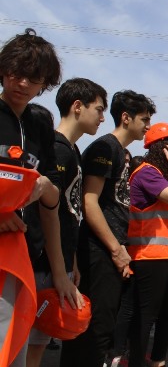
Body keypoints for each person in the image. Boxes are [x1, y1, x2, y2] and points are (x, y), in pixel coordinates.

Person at [61, 90, 156, 367]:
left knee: (104, 322)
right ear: (126, 118)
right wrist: (115, 250)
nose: (147, 126)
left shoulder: (122, 152)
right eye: (144, 119)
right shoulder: (105, 148)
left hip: (112, 249)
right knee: (94, 326)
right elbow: (89, 203)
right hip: (98, 249)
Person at [0, 29, 72, 367]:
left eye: (34, 78)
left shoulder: (40, 123)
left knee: (15, 351)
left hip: (25, 260)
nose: (22, 83)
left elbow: (51, 203)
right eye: (16, 72)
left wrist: (59, 274)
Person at [27, 78, 107, 367]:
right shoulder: (57, 149)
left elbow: (69, 213)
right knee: (26, 344)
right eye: (98, 109)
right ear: (77, 106)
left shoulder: (71, 151)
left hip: (58, 262)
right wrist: (59, 271)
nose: (101, 117)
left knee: (37, 343)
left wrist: (70, 261)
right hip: (42, 263)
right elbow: (47, 213)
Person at [126, 122, 168, 367]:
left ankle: (158, 359)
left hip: (166, 254)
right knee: (145, 315)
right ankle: (138, 361)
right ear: (162, 148)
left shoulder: (163, 175)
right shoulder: (146, 172)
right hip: (148, 255)